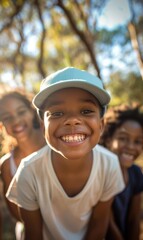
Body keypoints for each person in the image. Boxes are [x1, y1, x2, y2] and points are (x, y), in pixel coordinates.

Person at [6, 67, 125, 240]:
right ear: (42, 126)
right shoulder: (28, 171)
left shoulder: (110, 165)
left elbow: (98, 228)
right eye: (57, 113)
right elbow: (33, 234)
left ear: (101, 124)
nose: (72, 120)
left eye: (86, 111)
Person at [0, 90, 46, 239]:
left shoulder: (55, 144)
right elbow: (17, 213)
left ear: (32, 112)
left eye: (21, 112)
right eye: (7, 117)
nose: (16, 121)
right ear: (2, 126)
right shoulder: (7, 165)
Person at [99, 104, 143, 240]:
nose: (130, 147)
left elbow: (134, 219)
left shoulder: (135, 174)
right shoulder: (100, 172)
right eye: (123, 138)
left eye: (138, 141)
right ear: (108, 139)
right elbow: (107, 222)